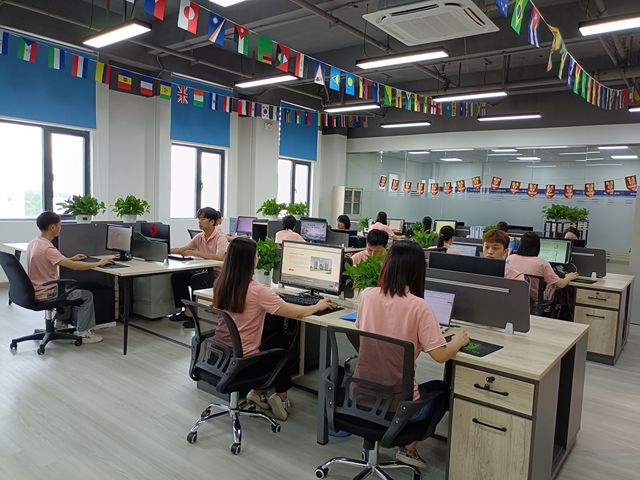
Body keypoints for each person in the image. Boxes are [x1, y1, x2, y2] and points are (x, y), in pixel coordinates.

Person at [355, 241, 469, 468]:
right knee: (442, 389)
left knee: (427, 386)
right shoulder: (419, 307)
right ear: (418, 271)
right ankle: (409, 447)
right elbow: (440, 356)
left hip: (361, 395)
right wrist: (457, 341)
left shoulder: (367, 295)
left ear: (387, 265)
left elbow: (361, 330)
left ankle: (382, 441)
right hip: (397, 406)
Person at [213, 237, 335, 421]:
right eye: (256, 255)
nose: (258, 258)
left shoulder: (221, 283)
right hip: (244, 362)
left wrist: (268, 294)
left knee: (273, 334)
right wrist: (318, 306)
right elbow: (297, 313)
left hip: (221, 354)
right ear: (251, 261)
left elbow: (248, 299)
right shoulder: (257, 291)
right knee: (281, 346)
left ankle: (257, 392)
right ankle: (280, 396)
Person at [26, 211, 114, 344]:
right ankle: (83, 333)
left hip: (37, 289)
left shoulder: (34, 243)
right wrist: (99, 263)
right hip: (49, 292)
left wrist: (70, 259)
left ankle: (59, 324)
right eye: (60, 225)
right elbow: (75, 267)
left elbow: (48, 260)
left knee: (67, 288)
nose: (61, 228)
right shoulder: (48, 248)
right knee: (86, 295)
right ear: (52, 227)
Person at [170, 207, 228, 328]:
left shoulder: (220, 237)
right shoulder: (200, 236)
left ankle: (197, 316)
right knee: (178, 277)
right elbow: (183, 249)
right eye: (199, 219)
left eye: (203, 219)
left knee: (197, 279)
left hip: (217, 273)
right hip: (203, 270)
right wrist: (164, 249)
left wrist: (196, 253)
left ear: (212, 222)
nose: (199, 221)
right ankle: (187, 310)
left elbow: (219, 257)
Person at [506, 232, 579, 300]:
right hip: (533, 300)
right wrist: (569, 277)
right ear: (537, 246)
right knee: (553, 285)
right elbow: (561, 284)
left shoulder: (510, 258)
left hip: (512, 297)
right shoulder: (542, 264)